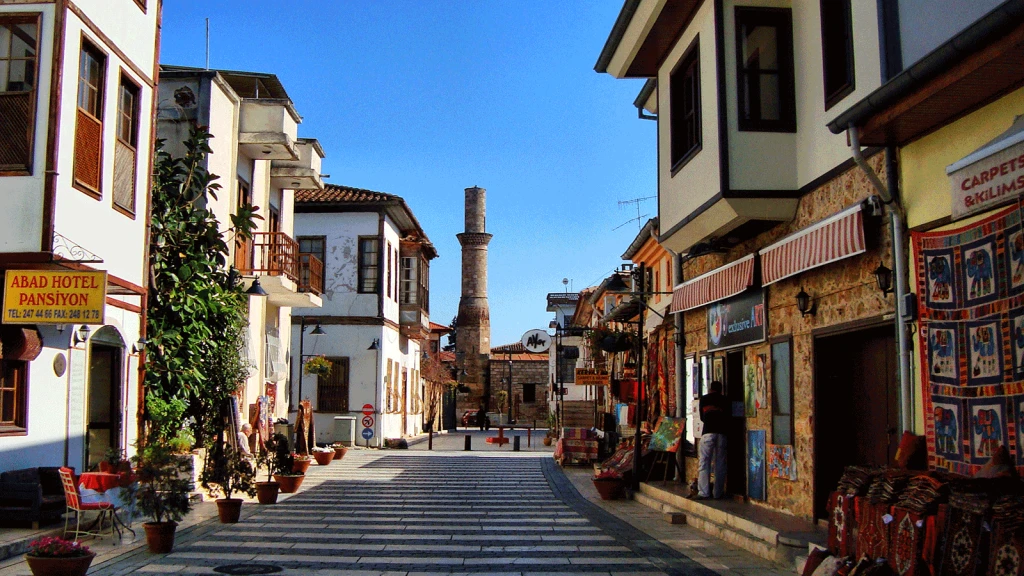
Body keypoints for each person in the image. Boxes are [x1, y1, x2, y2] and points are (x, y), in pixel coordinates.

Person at [697, 380, 729, 499]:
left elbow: (702, 417)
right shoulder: (725, 400)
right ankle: (717, 493)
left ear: (710, 389)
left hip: (708, 432)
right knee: (720, 463)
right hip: (721, 433)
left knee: (704, 462)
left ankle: (704, 492)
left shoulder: (704, 399)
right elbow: (728, 416)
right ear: (721, 390)